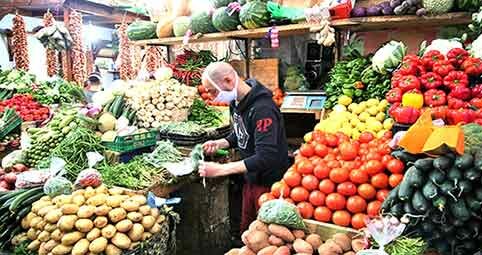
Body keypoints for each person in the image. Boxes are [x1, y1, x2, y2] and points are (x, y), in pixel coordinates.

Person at [199, 62, 290, 233]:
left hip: (269, 184)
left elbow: (266, 156)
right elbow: (240, 133)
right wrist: (222, 142)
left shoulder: (263, 109)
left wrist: (221, 169)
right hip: (251, 179)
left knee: (266, 236)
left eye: (212, 91)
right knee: (248, 233)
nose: (211, 97)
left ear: (228, 80)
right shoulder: (236, 102)